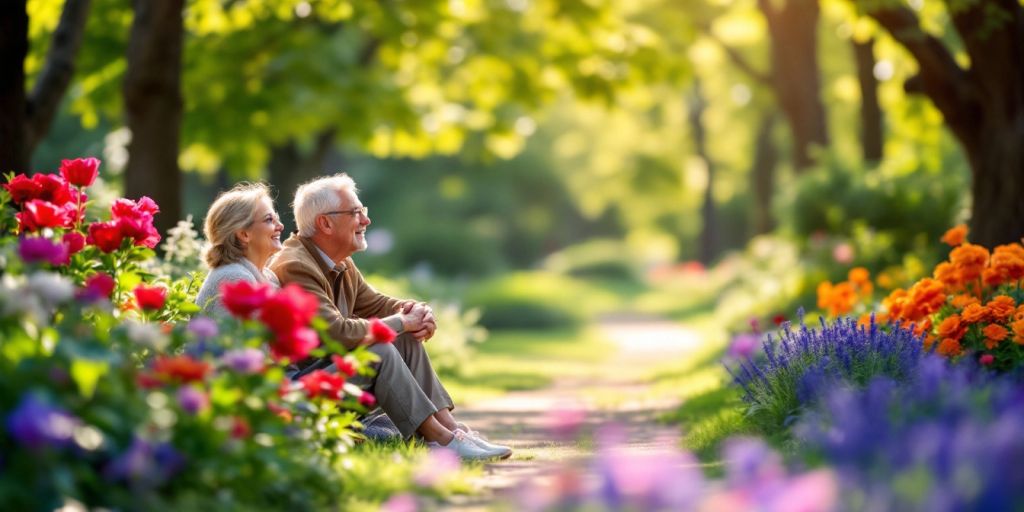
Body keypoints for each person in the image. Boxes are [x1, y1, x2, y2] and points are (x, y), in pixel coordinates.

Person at [269, 174, 512, 460]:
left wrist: (414, 311)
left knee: (405, 338)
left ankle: (452, 431)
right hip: (305, 389)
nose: (365, 220)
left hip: (331, 371)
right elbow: (335, 331)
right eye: (356, 212)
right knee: (382, 350)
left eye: (363, 211)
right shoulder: (296, 265)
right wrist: (401, 322)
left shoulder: (339, 262)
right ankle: (442, 442)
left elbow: (376, 304)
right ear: (325, 223)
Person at [195, 183, 284, 316]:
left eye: (276, 218)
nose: (280, 226)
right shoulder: (234, 277)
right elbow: (237, 335)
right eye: (269, 219)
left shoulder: (269, 277)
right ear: (244, 234)